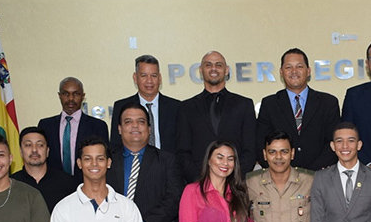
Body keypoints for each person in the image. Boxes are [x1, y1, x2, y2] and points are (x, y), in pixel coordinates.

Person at [107, 103, 184, 222]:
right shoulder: (106, 161)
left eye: (141, 122)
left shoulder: (167, 160)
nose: (135, 126)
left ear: (149, 129)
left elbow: (174, 199)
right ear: (119, 129)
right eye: (128, 122)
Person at [176, 51, 256, 181]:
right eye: (208, 65)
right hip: (198, 185)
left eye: (218, 65)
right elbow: (183, 152)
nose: (213, 68)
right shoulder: (186, 108)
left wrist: (232, 179)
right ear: (201, 71)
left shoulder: (244, 105)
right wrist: (200, 181)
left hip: (234, 186)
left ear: (226, 70)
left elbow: (250, 150)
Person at [256, 48, 340, 171]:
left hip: (320, 176)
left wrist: (311, 173)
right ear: (281, 72)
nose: (294, 71)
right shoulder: (270, 104)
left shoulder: (328, 103)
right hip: (282, 178)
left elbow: (333, 142)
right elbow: (261, 143)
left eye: (299, 66)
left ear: (308, 71)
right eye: (288, 67)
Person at [38, 77, 108, 179]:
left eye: (76, 94)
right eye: (66, 94)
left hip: (86, 185)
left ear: (83, 96)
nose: (71, 98)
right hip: (54, 187)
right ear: (59, 95)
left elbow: (103, 159)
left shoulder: (98, 126)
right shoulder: (45, 125)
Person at [110, 54, 180, 154]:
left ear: (160, 78)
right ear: (135, 78)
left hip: (168, 166)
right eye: (144, 75)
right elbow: (115, 145)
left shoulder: (176, 107)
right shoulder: (121, 106)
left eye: (154, 76)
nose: (149, 81)